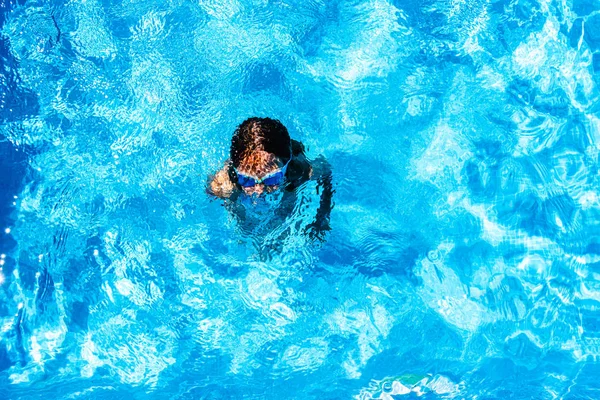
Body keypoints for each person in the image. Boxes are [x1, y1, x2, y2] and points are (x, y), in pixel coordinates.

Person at [208, 117, 333, 241]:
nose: (259, 190)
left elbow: (325, 169)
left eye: (271, 179)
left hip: (286, 158)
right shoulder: (225, 181)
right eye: (248, 180)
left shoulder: (302, 171)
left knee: (287, 205)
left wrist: (321, 219)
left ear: (286, 166)